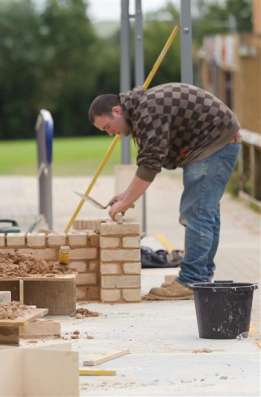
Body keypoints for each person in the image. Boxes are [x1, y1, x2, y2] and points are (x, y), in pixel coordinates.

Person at [88, 83, 240, 300]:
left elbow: (151, 163)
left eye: (107, 127)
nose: (110, 133)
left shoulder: (148, 110)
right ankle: (200, 277)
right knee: (205, 213)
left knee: (197, 213)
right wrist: (125, 196)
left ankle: (191, 280)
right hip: (214, 143)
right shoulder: (142, 109)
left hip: (214, 145)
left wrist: (126, 202)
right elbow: (148, 157)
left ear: (117, 111)